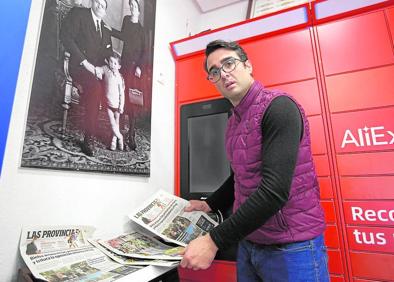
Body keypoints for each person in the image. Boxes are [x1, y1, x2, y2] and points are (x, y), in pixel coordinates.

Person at [180, 40, 329, 282]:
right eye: (214, 72)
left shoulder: (279, 107)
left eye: (229, 63)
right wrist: (210, 204)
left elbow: (274, 191)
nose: (224, 73)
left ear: (248, 66)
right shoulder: (235, 121)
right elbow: (240, 174)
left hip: (291, 246)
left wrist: (213, 240)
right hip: (250, 241)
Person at [60, 0, 113, 156]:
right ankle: (88, 138)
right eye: (97, 2)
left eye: (103, 6)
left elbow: (108, 54)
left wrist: (105, 68)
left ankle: (114, 134)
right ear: (92, 3)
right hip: (79, 66)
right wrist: (86, 64)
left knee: (118, 84)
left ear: (105, 11)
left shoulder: (105, 28)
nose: (99, 6)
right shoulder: (79, 14)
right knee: (95, 88)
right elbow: (66, 37)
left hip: (97, 70)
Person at [111, 0, 145, 151]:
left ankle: (131, 134)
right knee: (121, 98)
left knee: (132, 101)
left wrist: (139, 66)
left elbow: (144, 52)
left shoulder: (142, 30)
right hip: (124, 65)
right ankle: (117, 133)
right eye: (130, 5)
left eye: (135, 6)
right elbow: (123, 36)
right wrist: (109, 29)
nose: (132, 8)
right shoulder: (126, 20)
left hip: (134, 69)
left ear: (139, 10)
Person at [96, 53, 125, 151]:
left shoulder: (119, 78)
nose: (112, 64)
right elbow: (98, 69)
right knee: (112, 123)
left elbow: (122, 93)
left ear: (119, 66)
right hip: (108, 104)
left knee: (116, 123)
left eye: (115, 63)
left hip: (117, 105)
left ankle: (114, 140)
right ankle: (120, 137)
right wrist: (98, 72)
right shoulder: (106, 69)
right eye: (111, 62)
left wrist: (121, 106)